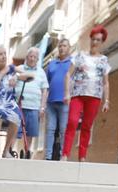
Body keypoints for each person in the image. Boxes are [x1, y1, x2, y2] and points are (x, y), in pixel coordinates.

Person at [61, 26, 111, 162]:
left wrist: (107, 101)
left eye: (98, 40)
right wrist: (66, 93)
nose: (95, 42)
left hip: (94, 97)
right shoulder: (80, 55)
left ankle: (82, 156)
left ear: (102, 42)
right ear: (90, 40)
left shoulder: (104, 60)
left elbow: (105, 82)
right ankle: (65, 154)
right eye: (93, 39)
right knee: (72, 122)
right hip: (77, 95)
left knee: (87, 126)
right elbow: (68, 74)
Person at [16, 47, 49, 156]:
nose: (32, 59)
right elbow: (10, 83)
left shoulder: (41, 72)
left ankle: (26, 151)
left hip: (34, 107)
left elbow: (45, 91)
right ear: (26, 57)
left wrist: (42, 107)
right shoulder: (19, 69)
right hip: (19, 105)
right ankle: (9, 149)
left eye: (35, 57)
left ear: (37, 59)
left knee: (30, 132)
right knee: (15, 130)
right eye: (30, 56)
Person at [44, 38, 72, 160]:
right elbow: (46, 84)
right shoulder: (51, 64)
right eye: (60, 46)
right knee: (50, 129)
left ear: (69, 48)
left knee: (63, 130)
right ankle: (48, 156)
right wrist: (43, 103)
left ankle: (63, 156)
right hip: (51, 102)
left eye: (64, 46)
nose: (61, 48)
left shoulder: (72, 63)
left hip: (65, 102)